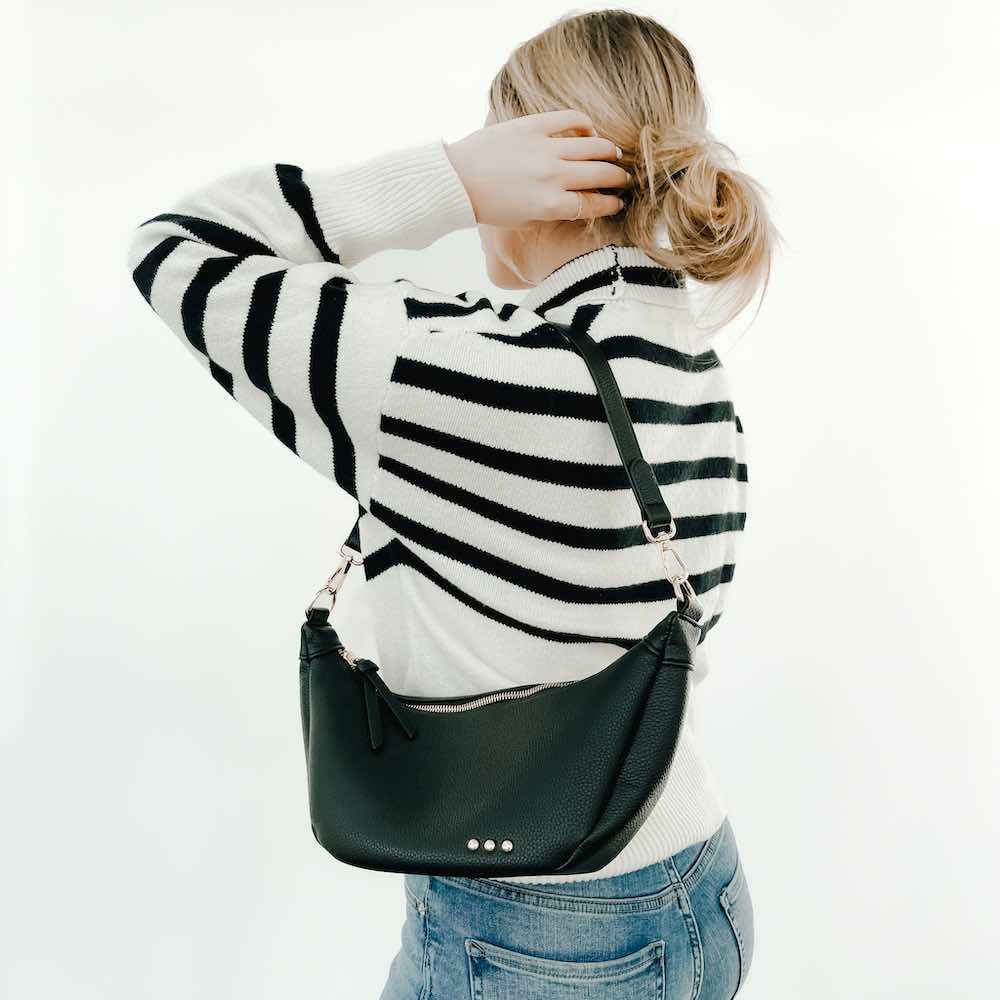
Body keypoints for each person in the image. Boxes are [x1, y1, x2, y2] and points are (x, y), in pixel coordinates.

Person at [125, 9, 777, 998]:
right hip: (699, 881)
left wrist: (449, 176)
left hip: (535, 923)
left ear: (541, 165)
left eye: (493, 139)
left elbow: (177, 252)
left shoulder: (452, 368)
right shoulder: (687, 358)